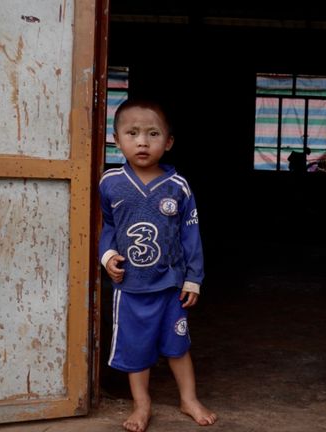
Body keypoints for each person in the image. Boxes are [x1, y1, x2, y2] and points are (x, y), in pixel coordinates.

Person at [98, 99, 217, 432]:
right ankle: (142, 404)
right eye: (132, 133)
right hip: (131, 288)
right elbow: (106, 226)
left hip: (169, 286)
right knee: (136, 349)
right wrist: (107, 257)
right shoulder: (110, 183)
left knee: (178, 345)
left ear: (168, 142)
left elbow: (191, 234)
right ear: (116, 139)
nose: (142, 141)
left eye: (152, 134)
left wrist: (193, 279)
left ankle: (188, 399)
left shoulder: (178, 187)